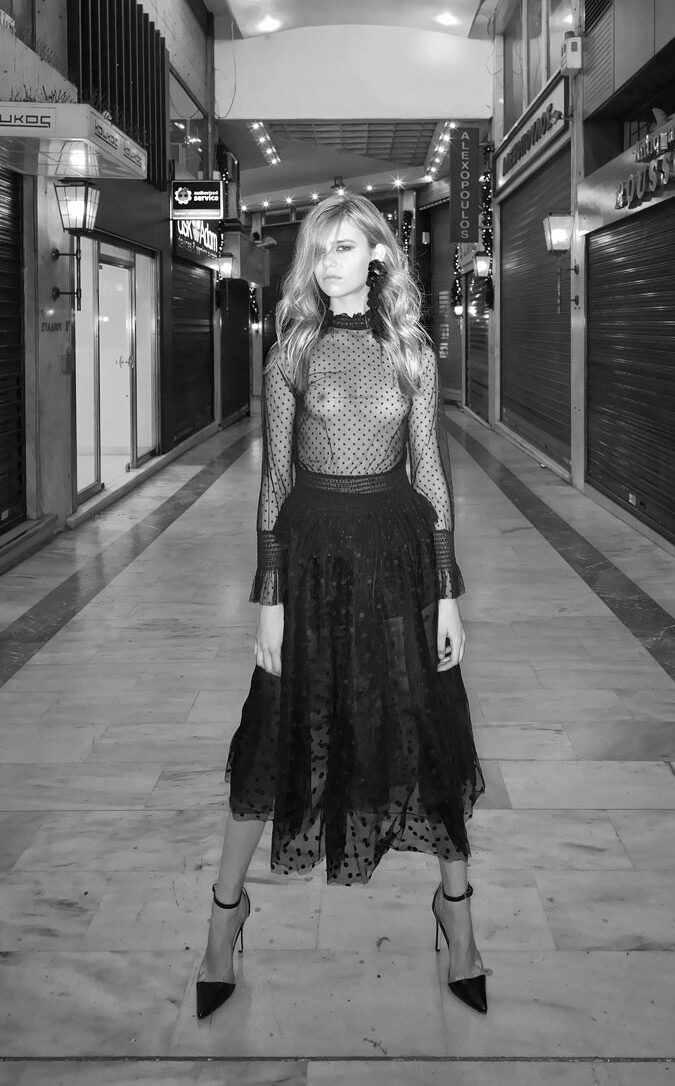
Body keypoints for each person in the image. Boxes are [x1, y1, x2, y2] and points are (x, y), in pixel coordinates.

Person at [196, 192, 487, 1020]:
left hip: (397, 559)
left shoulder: (409, 350)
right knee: (276, 731)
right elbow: (274, 484)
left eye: (345, 247)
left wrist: (446, 595)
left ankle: (457, 916)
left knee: (425, 729)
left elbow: (431, 477)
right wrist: (269, 600)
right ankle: (223, 916)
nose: (328, 264)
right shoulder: (292, 349)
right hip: (312, 558)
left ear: (378, 256)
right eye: (318, 250)